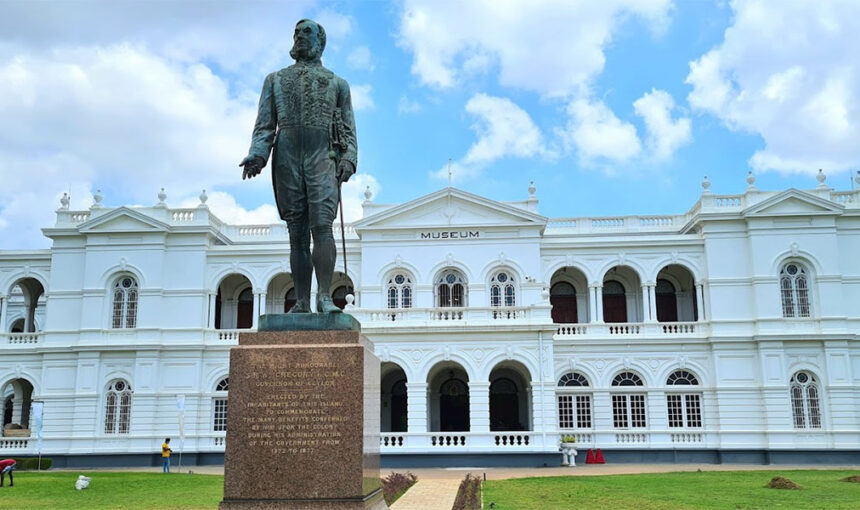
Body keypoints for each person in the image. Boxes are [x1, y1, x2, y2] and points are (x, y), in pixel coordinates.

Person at [239, 18, 357, 314]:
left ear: (320, 42)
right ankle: (303, 300)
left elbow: (349, 129)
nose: (299, 37)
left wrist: (349, 158)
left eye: (306, 32)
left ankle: (325, 297)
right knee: (297, 232)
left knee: (322, 226)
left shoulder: (337, 83)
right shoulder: (275, 80)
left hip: (323, 155)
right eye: (296, 33)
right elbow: (265, 125)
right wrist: (257, 155)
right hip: (288, 156)